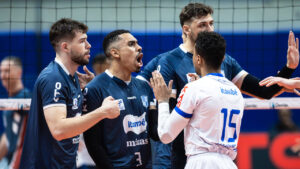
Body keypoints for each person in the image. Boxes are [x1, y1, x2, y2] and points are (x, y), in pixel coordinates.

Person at [156, 2, 299, 169]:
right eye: (202, 25)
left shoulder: (225, 61)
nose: (209, 29)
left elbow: (262, 90)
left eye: (211, 23)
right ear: (186, 29)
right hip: (184, 153)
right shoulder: (170, 61)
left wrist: (288, 69)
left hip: (201, 156)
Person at [19, 18, 120, 169]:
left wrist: (93, 87)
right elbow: (59, 130)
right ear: (65, 47)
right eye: (82, 41)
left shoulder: (72, 78)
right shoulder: (53, 78)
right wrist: (103, 112)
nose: (89, 45)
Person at [151, 31, 244, 169]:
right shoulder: (236, 91)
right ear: (223, 58)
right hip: (229, 163)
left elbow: (166, 135)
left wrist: (163, 100)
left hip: (201, 163)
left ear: (198, 59)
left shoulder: (194, 88)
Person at [82, 29, 158, 169]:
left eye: (137, 43)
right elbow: (93, 143)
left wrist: (165, 102)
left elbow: (155, 133)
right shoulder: (95, 89)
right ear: (115, 53)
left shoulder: (144, 87)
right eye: (131, 44)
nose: (139, 47)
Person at [77, 53, 110, 169]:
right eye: (98, 69)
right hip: (87, 153)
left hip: (108, 150)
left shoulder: (113, 89)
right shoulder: (88, 89)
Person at [0, 56, 31, 169]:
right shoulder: (9, 101)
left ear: (19, 72)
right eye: (1, 71)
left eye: (7, 71)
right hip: (10, 160)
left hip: (22, 160)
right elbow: (8, 135)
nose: (3, 75)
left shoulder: (25, 97)